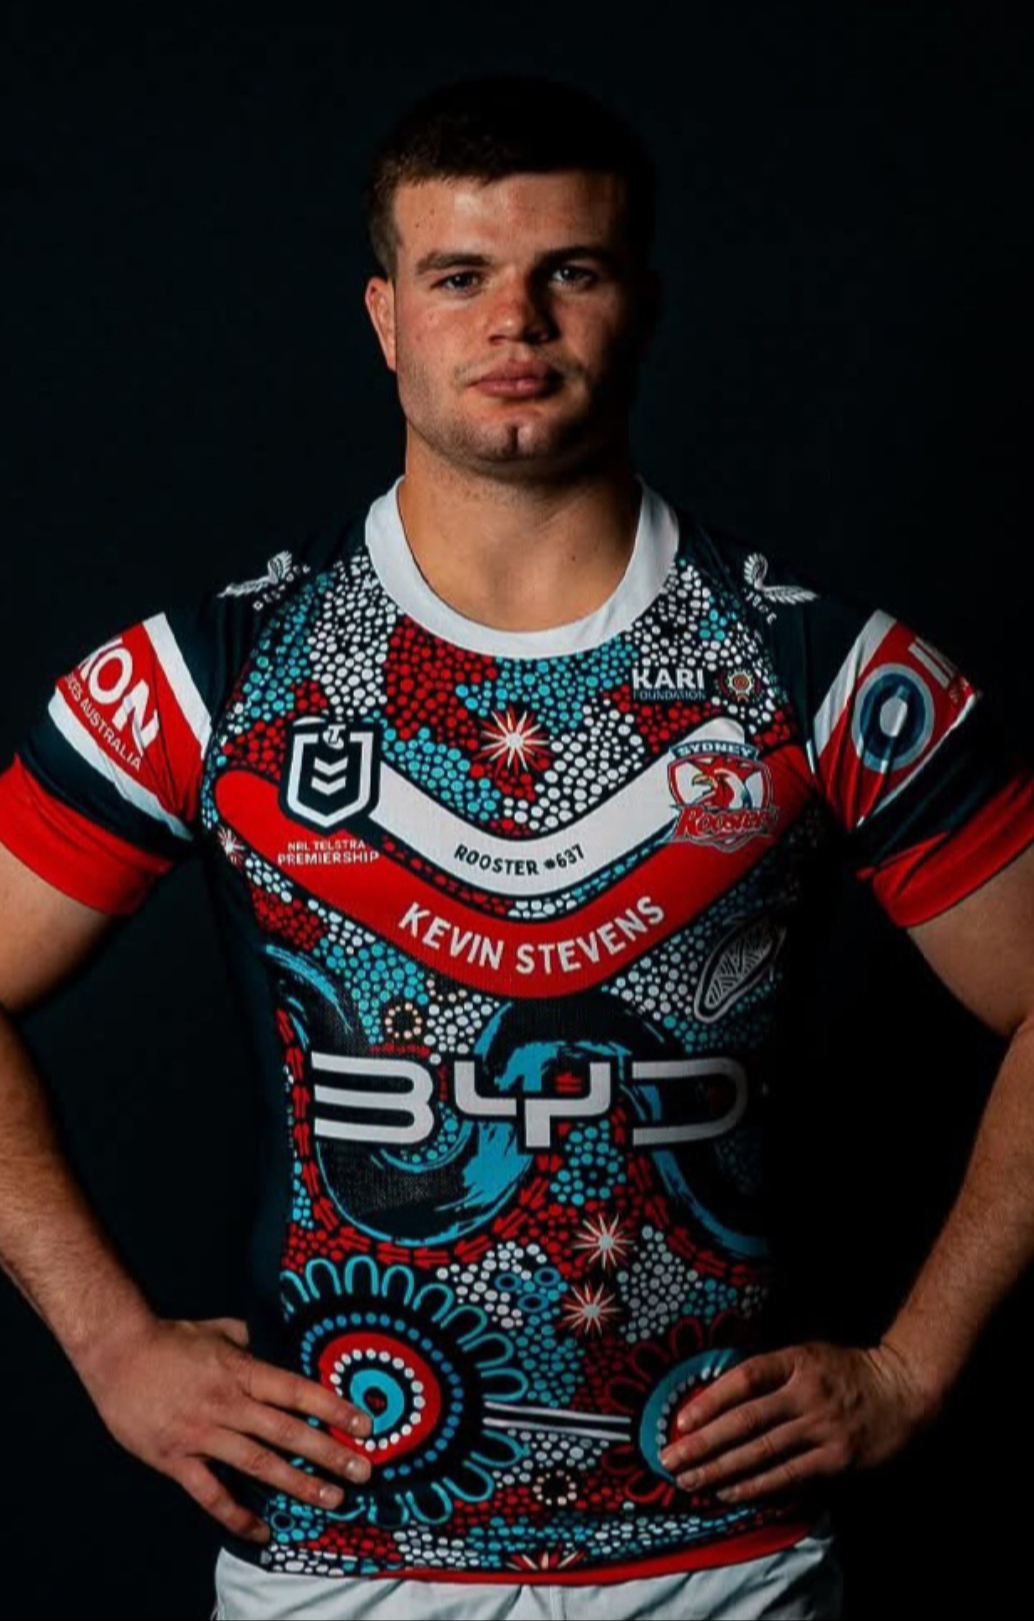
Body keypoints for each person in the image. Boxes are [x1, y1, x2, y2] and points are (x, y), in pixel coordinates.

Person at [1, 71, 1033, 1621]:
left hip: (720, 1559)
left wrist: (911, 1366)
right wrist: (109, 1341)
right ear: (383, 316)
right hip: (335, 1556)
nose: (515, 322)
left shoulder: (818, 671)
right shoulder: (215, 676)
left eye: (572, 270)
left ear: (644, 303)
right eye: (458, 275)